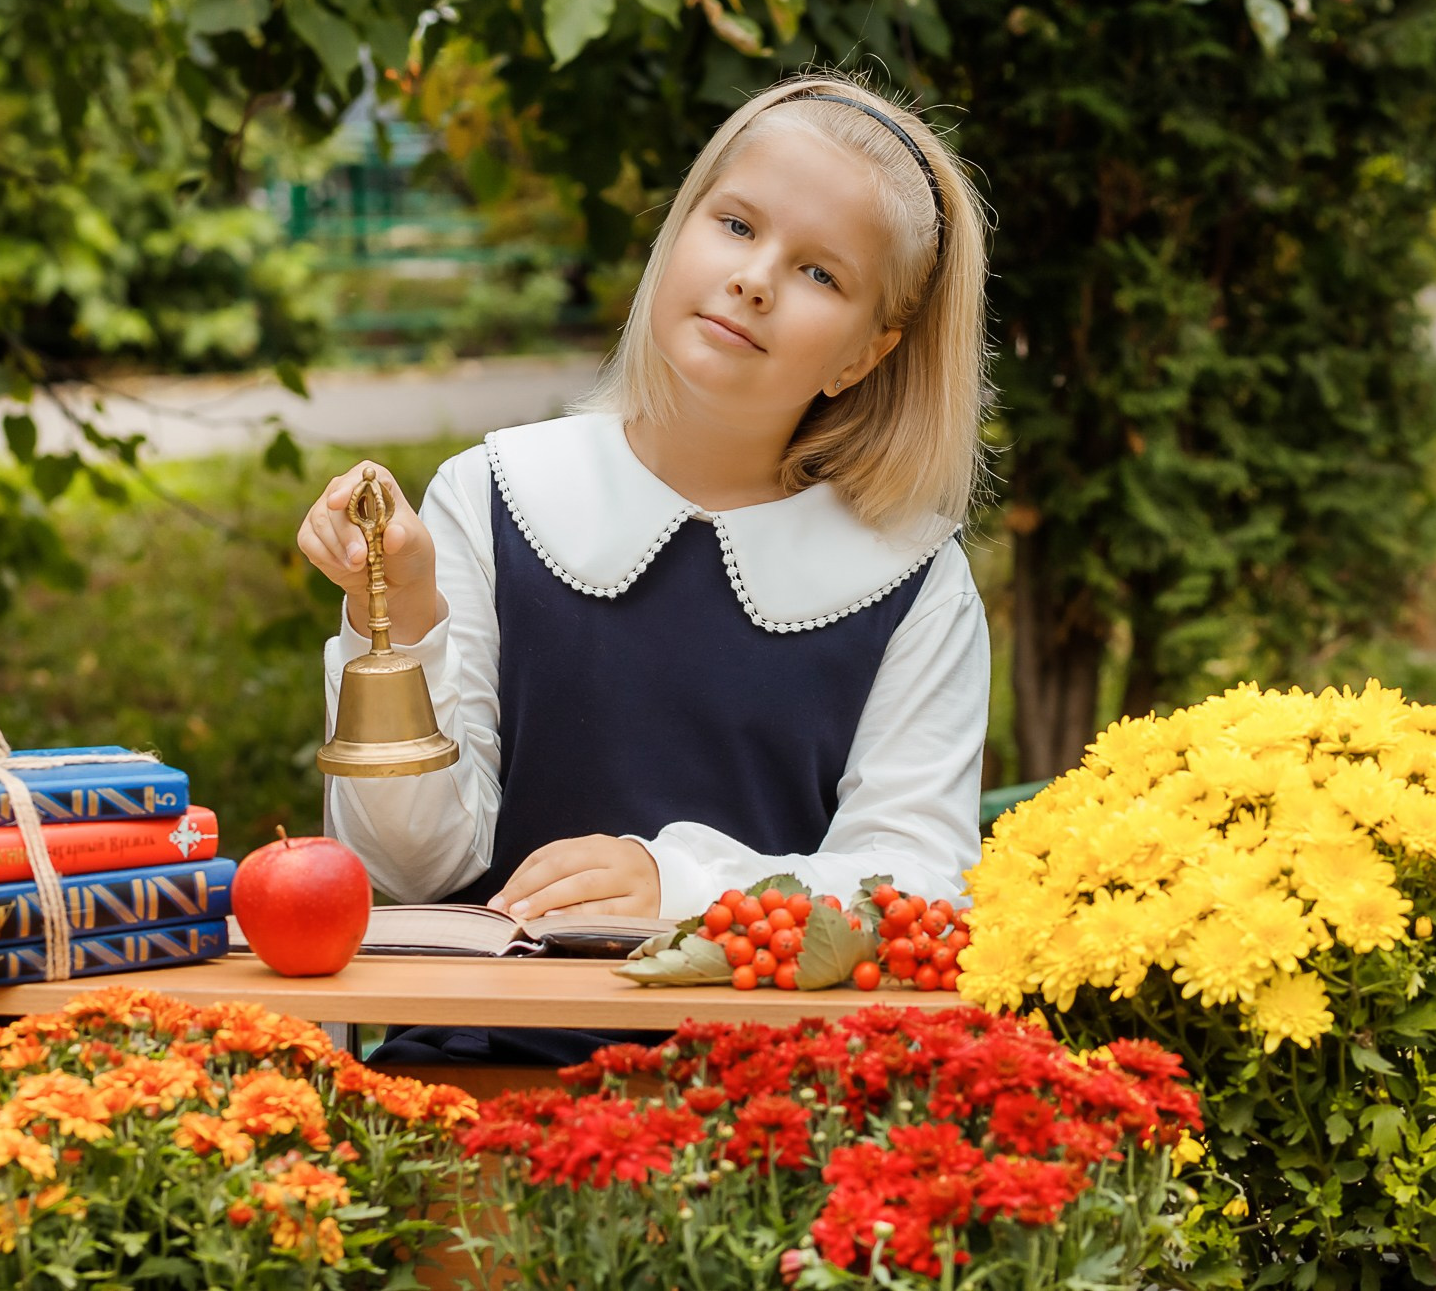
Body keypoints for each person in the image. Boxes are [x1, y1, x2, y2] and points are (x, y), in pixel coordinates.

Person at [295, 71, 992, 1065]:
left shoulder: (912, 577)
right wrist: (399, 624)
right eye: (738, 226)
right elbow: (404, 866)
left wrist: (681, 890)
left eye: (820, 275)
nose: (755, 278)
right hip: (467, 1096)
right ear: (678, 231)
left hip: (767, 1130)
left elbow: (917, 890)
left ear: (864, 357)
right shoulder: (488, 495)